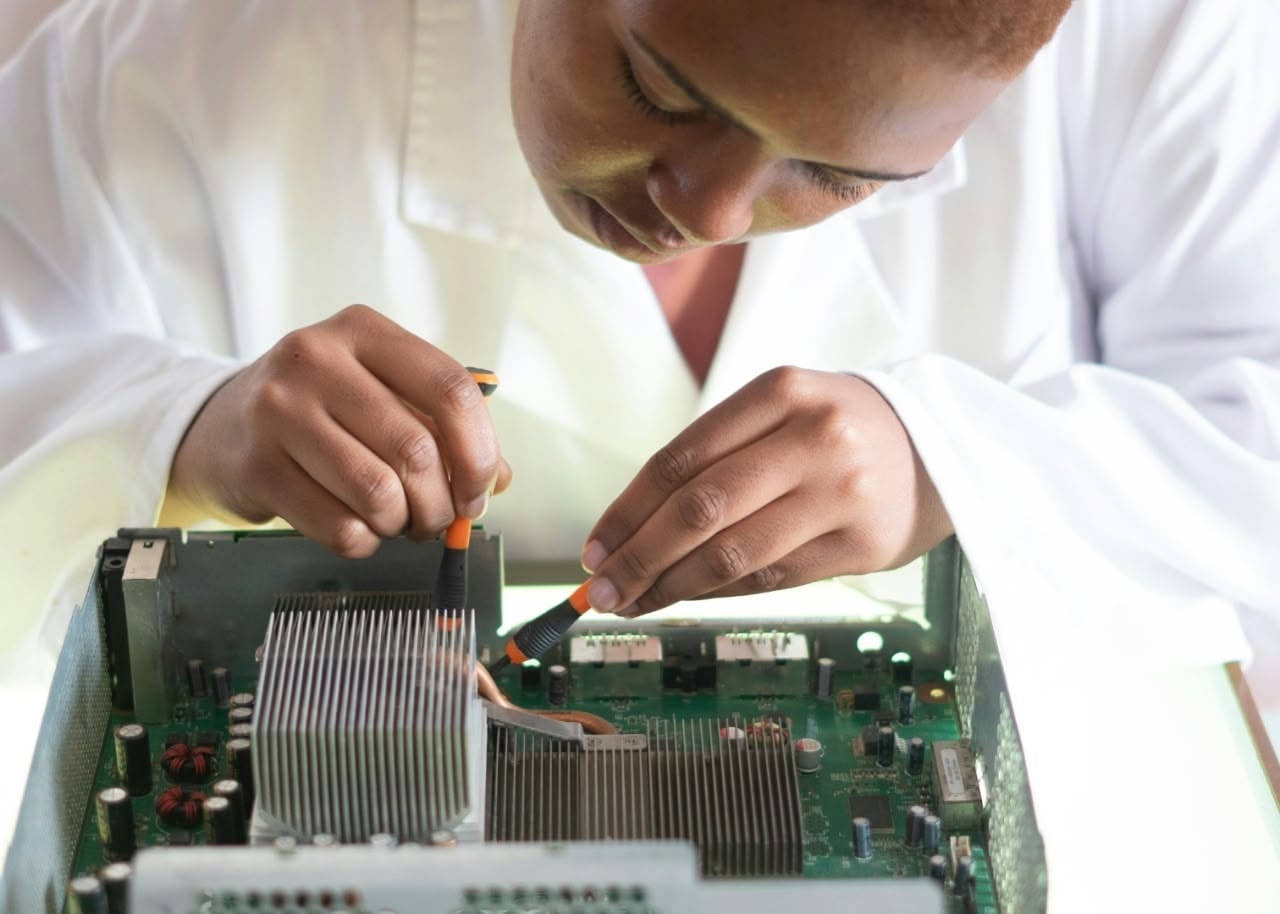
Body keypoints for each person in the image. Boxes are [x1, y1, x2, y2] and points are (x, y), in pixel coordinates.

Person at [2, 0, 1278, 809]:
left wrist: (954, 463)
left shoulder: (1154, 29)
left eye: (838, 174)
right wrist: (184, 425)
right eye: (660, 90)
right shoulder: (159, 65)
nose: (706, 213)